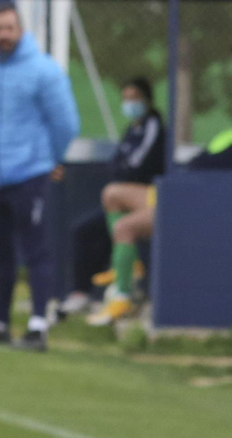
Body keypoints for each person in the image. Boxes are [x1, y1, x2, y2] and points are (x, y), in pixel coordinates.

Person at [86, 87, 232, 326]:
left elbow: (208, 164)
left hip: (195, 204)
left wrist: (195, 164)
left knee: (124, 227)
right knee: (112, 194)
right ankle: (130, 266)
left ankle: (123, 297)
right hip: (181, 192)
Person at [0, 1, 80, 351]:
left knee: (36, 251)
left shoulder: (44, 71)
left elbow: (66, 122)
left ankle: (37, 325)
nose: (3, 35)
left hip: (31, 173)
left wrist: (53, 158)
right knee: (0, 252)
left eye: (9, 28)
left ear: (21, 29)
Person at [63, 77, 164, 318]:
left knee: (114, 203)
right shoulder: (131, 129)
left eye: (135, 99)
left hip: (151, 198)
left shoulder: (154, 125)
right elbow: (117, 163)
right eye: (126, 99)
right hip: (129, 201)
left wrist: (123, 172)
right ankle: (85, 291)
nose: (130, 104)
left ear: (147, 100)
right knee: (85, 229)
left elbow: (136, 165)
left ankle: (123, 287)